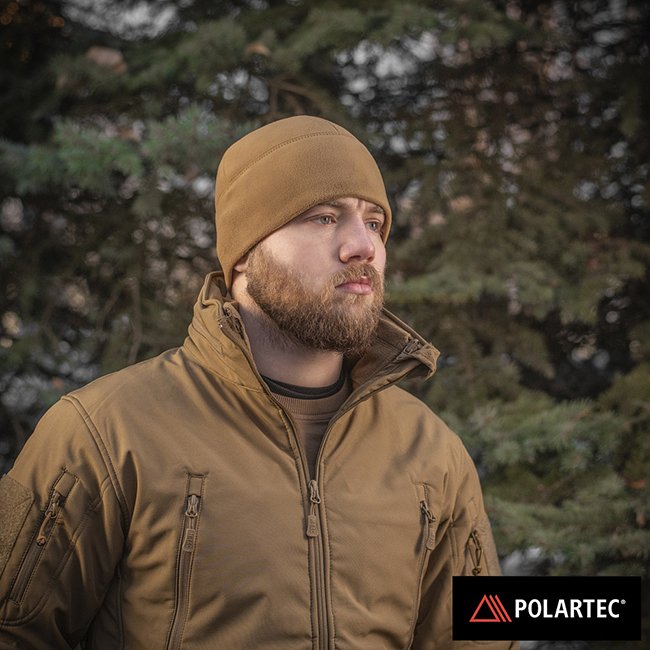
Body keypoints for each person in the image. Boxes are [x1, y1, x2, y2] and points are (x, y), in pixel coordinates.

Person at [0, 116, 517, 649]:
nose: (363, 246)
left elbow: (485, 640)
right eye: (323, 217)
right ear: (245, 252)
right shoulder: (104, 432)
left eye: (374, 221)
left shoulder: (433, 454)